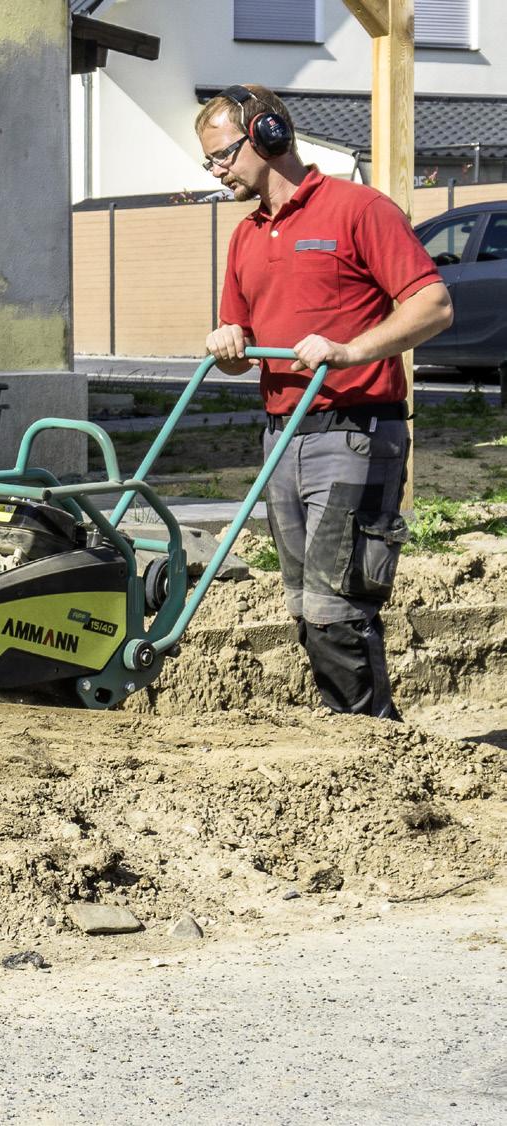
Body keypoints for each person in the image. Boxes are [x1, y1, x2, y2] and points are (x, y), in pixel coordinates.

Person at [196, 84, 453, 719]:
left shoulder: (359, 209)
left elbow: (433, 305)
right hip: (282, 433)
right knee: (302, 607)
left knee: (337, 607)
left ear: (268, 137)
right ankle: (353, 740)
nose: (217, 170)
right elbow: (241, 341)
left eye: (223, 155)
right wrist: (228, 344)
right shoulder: (246, 238)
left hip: (356, 430)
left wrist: (349, 351)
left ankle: (374, 748)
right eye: (209, 161)